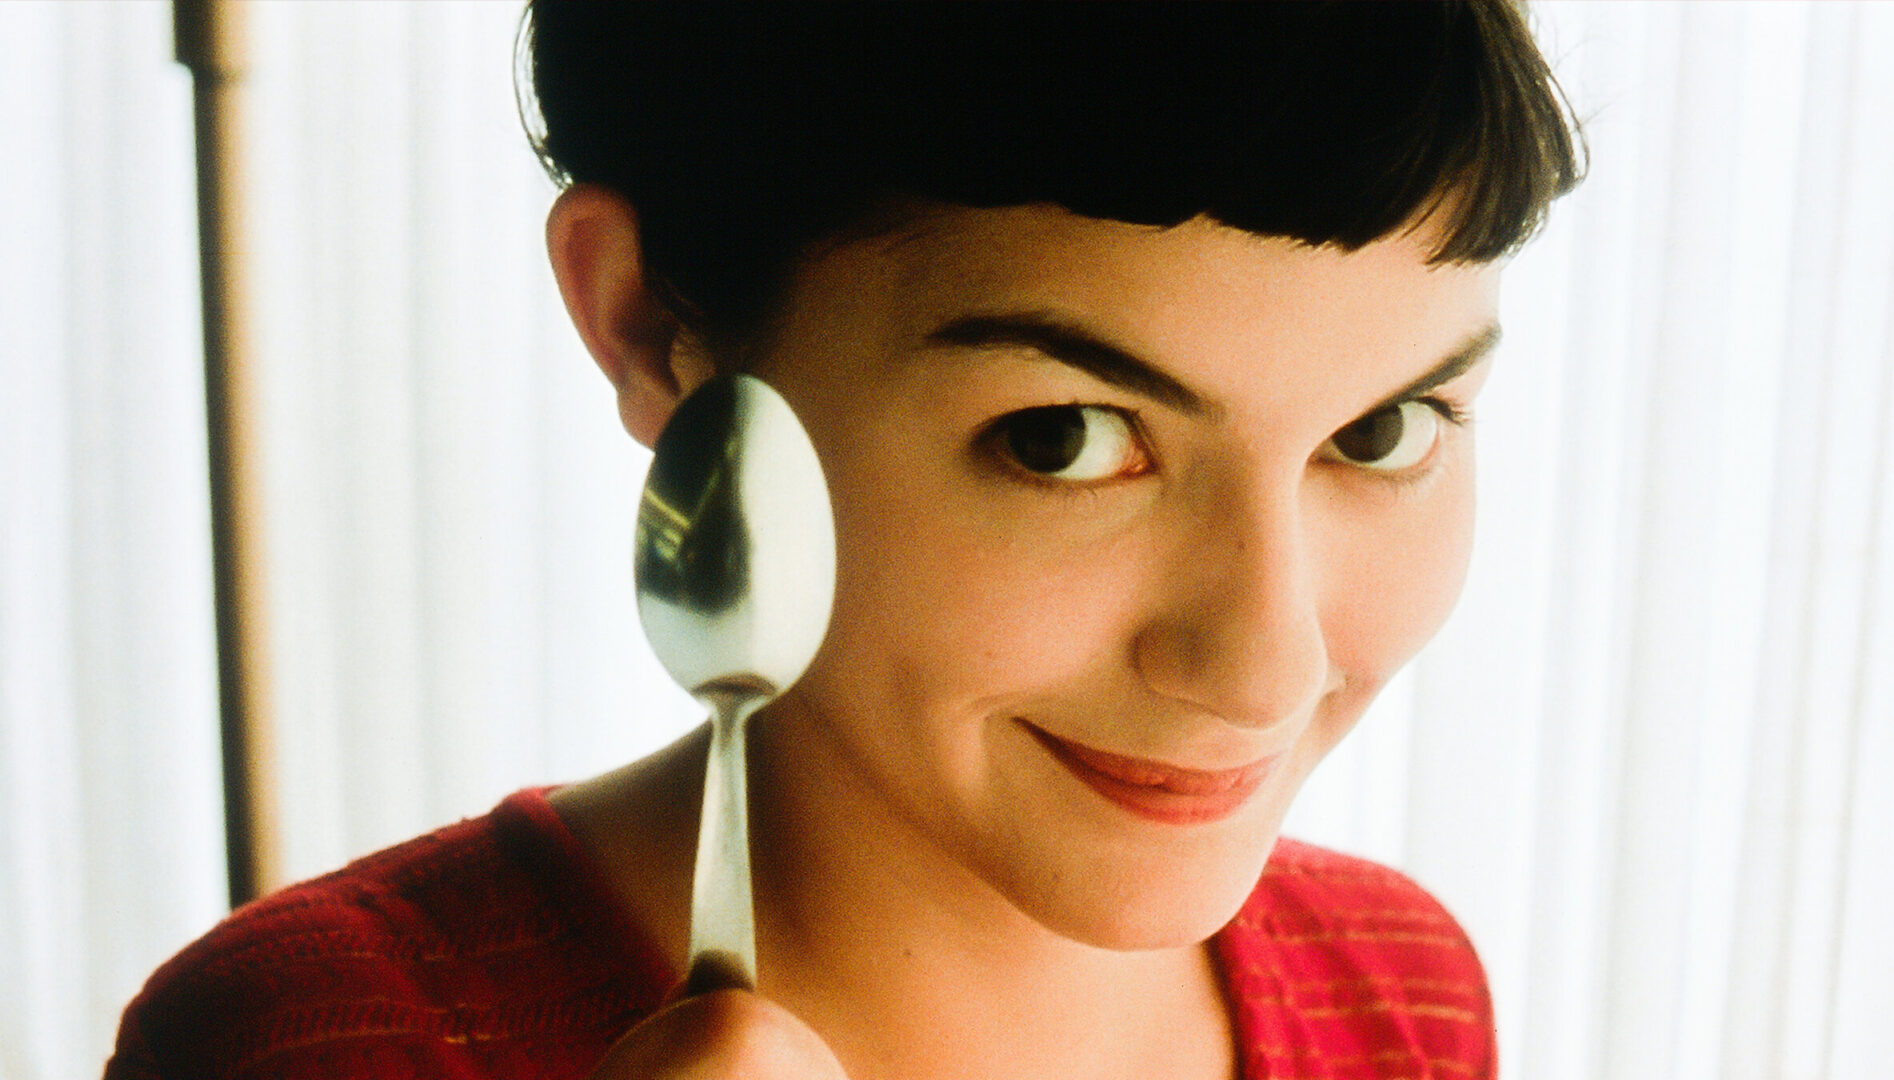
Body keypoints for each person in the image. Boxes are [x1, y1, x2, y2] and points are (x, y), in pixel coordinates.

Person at [106, 3, 1581, 1078]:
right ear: (650, 324)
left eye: (1382, 432)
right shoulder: (315, 1048)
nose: (1262, 665)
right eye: (1060, 437)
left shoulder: (1400, 994)